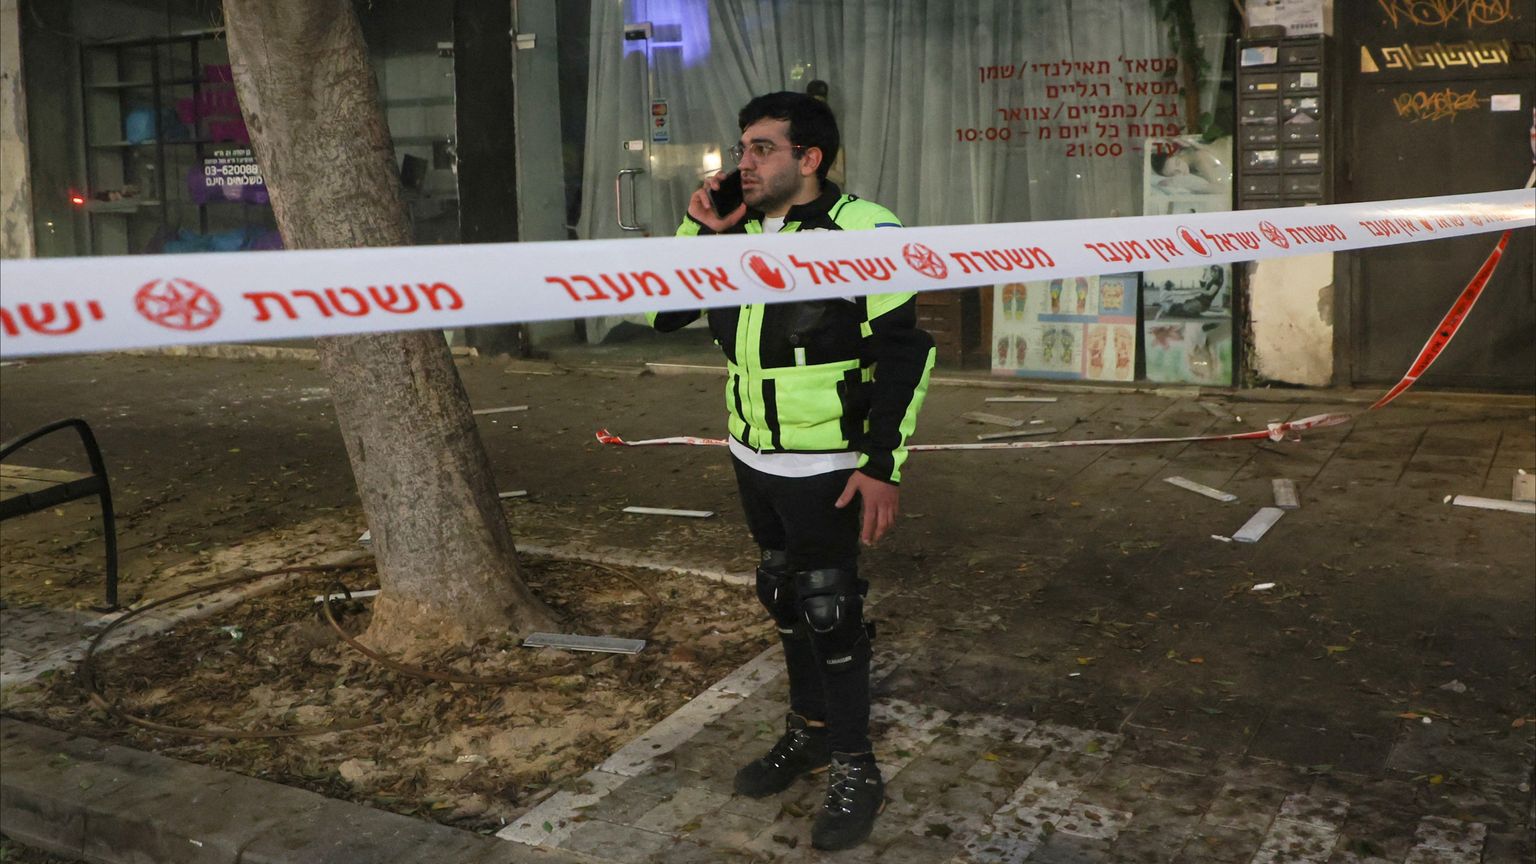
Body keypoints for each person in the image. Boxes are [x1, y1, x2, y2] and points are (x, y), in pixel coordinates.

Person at [648, 91, 934, 852]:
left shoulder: (865, 231)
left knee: (829, 606)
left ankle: (855, 765)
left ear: (809, 158)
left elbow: (905, 353)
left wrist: (883, 464)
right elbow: (658, 313)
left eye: (762, 149)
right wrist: (701, 233)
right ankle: (809, 730)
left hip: (829, 460)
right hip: (750, 451)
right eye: (742, 147)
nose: (742, 163)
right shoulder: (735, 228)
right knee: (780, 589)